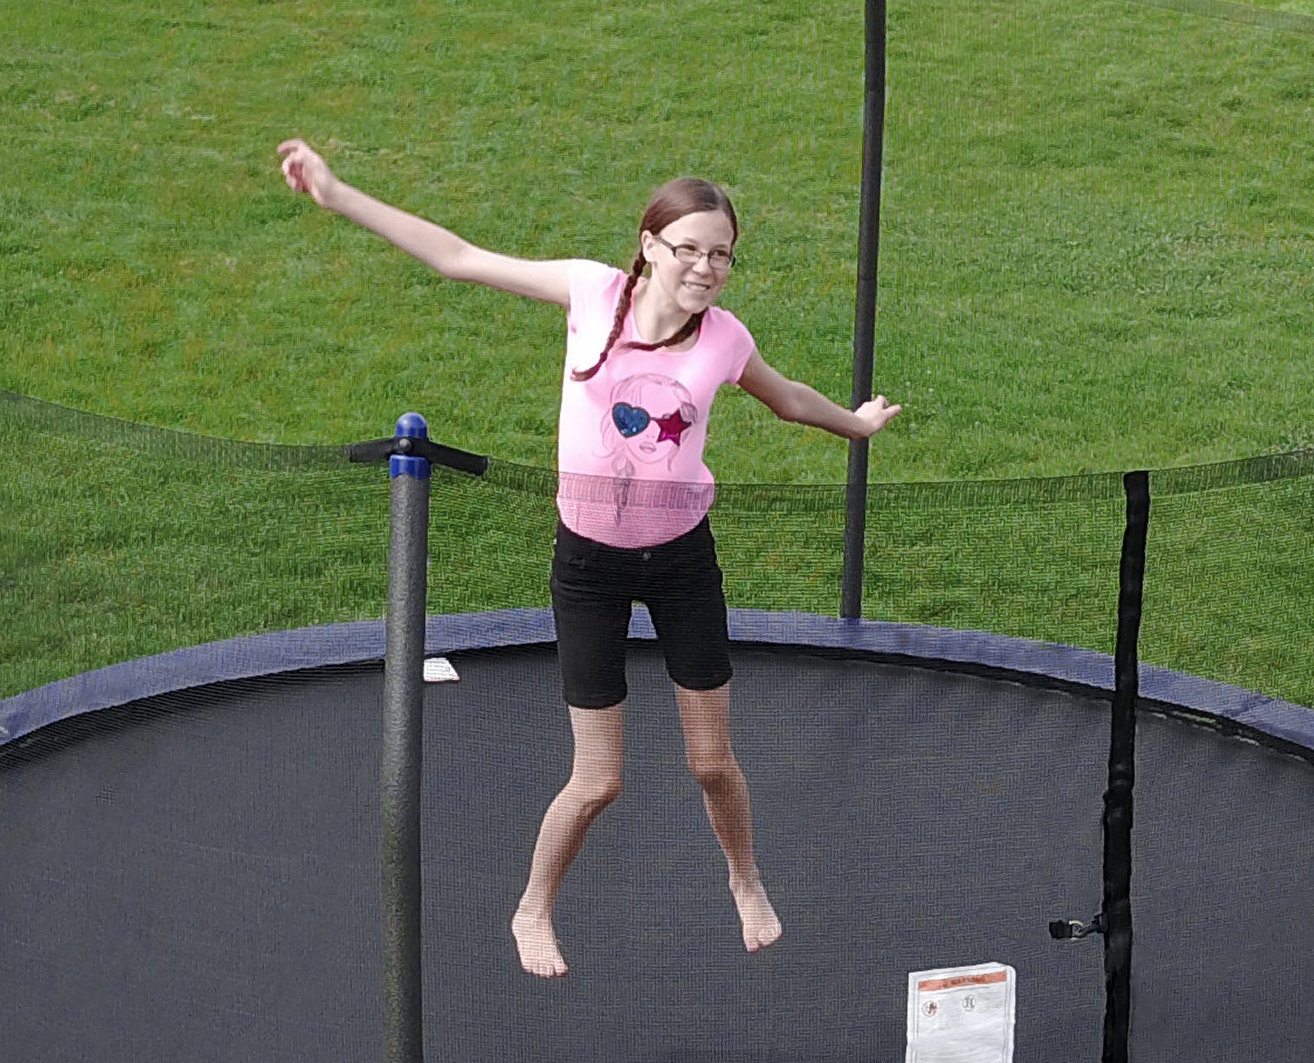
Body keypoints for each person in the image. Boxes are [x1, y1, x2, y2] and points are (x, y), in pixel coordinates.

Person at [275, 142, 899, 977]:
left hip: (681, 560)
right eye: (690, 249)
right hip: (590, 568)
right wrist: (338, 193)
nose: (708, 268)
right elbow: (458, 258)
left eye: (722, 254)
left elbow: (786, 400)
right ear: (649, 245)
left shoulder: (724, 340)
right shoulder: (589, 292)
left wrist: (855, 424)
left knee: (712, 761)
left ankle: (744, 878)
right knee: (598, 779)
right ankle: (533, 909)